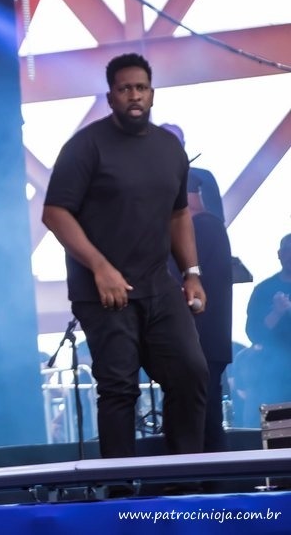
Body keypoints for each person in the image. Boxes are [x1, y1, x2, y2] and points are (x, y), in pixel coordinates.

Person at [42, 52, 209, 459]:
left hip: (157, 285)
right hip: (102, 292)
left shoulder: (169, 149)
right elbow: (54, 212)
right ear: (111, 97)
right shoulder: (85, 146)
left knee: (191, 373)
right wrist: (101, 268)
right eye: (125, 89)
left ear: (151, 94)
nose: (134, 95)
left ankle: (183, 478)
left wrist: (191, 272)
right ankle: (119, 486)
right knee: (119, 389)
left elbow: (179, 214)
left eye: (141, 88)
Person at [178, 174, 234, 452]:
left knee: (203, 416)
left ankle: (208, 473)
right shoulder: (210, 226)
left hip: (203, 340)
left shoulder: (202, 227)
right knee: (203, 412)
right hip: (206, 341)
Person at [243, 233, 291, 420]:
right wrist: (277, 313)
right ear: (279, 254)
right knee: (277, 429)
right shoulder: (263, 290)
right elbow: (253, 333)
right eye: (287, 250)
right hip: (274, 376)